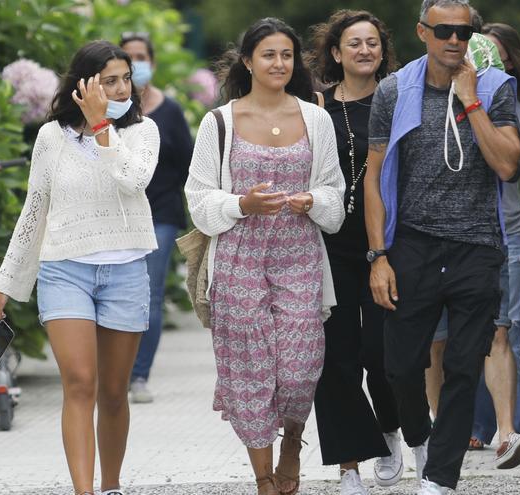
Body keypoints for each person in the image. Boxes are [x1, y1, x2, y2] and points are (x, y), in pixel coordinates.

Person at [0, 40, 160, 495]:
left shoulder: (142, 133)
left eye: (126, 79)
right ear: (83, 86)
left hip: (125, 271)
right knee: (80, 383)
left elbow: (131, 180)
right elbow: (34, 210)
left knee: (114, 393)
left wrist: (102, 125)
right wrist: (6, 282)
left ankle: (112, 485)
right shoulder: (50, 137)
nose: (121, 89)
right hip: (64, 271)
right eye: (109, 81)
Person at [365, 1, 520, 493]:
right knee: (400, 366)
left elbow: (508, 165)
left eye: (464, 31)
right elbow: (373, 178)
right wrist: (378, 256)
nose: (454, 40)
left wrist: (471, 100)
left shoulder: (495, 87)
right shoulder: (393, 90)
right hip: (413, 245)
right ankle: (422, 438)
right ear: (422, 33)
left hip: (477, 246)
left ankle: (440, 478)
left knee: (461, 365)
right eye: (444, 31)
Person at [184, 18, 345, 495]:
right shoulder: (219, 122)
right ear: (248, 61)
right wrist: (241, 205)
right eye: (269, 54)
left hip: (299, 258)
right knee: (250, 373)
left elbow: (335, 191)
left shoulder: (316, 118)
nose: (279, 63)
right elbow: (197, 197)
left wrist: (313, 201)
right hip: (238, 261)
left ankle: (292, 441)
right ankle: (263, 480)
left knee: (299, 370)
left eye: (287, 55)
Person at [425, 21, 520, 469]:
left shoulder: (516, 105)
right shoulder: (425, 100)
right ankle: (465, 428)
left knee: (503, 333)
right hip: (446, 236)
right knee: (447, 339)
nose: (477, 63)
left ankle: (509, 429)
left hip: (505, 231)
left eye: (489, 57)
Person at [308, 10, 402, 495]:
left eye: (373, 42)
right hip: (329, 245)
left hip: (387, 243)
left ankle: (390, 428)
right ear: (336, 52)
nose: (364, 50)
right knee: (336, 358)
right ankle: (349, 468)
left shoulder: (399, 100)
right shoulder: (316, 107)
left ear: (383, 51)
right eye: (354, 43)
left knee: (381, 354)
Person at [119, 33, 194, 404]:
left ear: (152, 61)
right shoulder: (109, 114)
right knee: (120, 293)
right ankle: (116, 370)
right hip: (117, 216)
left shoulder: (170, 111)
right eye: (128, 58)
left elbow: (189, 163)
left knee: (149, 292)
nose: (136, 65)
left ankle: (138, 375)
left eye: (141, 57)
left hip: (161, 213)